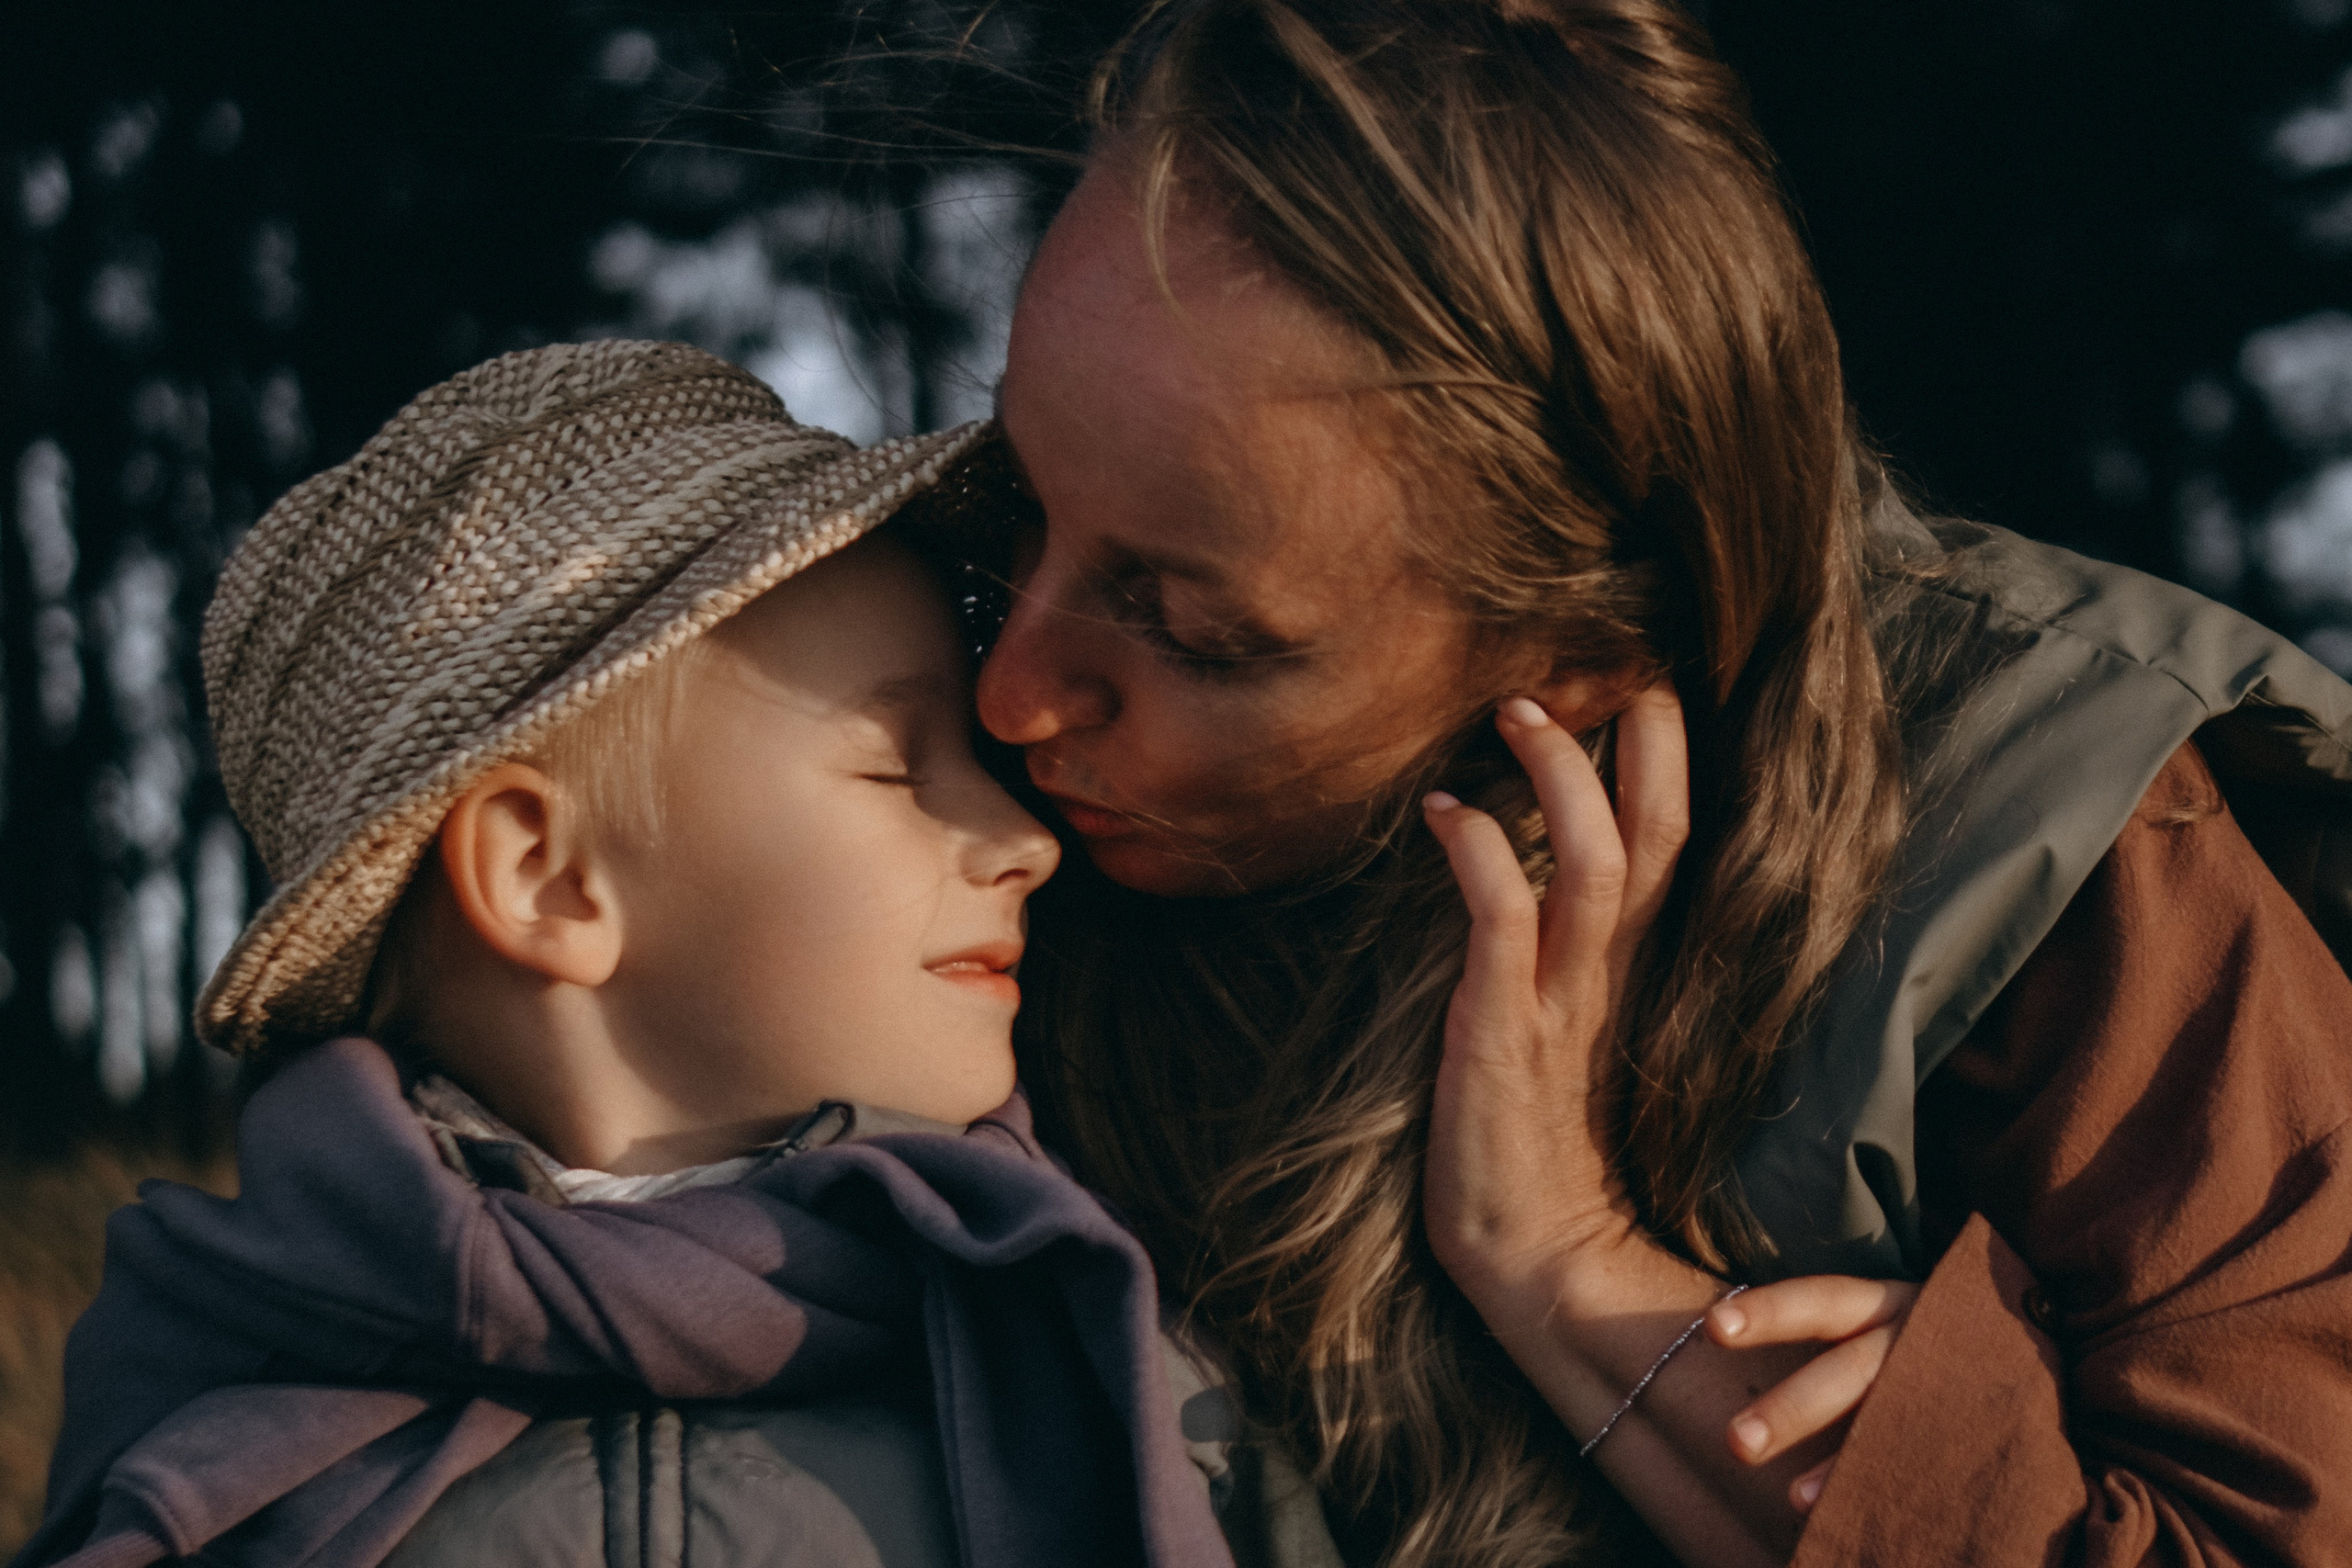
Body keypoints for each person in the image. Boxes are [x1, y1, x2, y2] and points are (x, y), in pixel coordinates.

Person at [954, 2, 2352, 1564]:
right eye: (1012, 500)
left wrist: (1570, 1269)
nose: (1012, 693)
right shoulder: (909, 751)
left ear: (1592, 652)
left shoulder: (2054, 835)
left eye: (1201, 634)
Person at [17, 340, 1309, 1568]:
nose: (1022, 837)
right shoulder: (214, 1428)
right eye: (896, 764)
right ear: (548, 877)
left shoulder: (1120, 1352)